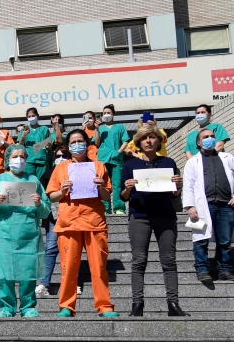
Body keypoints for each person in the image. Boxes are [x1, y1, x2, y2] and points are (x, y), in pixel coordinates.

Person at [46, 129, 119, 317]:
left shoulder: (98, 166)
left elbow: (106, 195)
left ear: (87, 144)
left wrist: (100, 186)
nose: (77, 144)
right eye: (73, 142)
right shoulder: (60, 169)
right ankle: (66, 306)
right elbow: (53, 197)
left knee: (99, 267)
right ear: (68, 147)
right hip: (69, 222)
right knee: (68, 267)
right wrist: (62, 191)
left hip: (94, 221)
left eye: (80, 141)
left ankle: (104, 306)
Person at [121, 125, 187, 316]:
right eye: (144, 138)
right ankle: (137, 304)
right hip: (139, 217)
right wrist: (128, 188)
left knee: (169, 260)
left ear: (158, 141)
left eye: (152, 137)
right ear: (139, 143)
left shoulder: (168, 162)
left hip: (165, 216)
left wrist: (178, 186)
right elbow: (124, 196)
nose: (149, 141)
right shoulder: (130, 165)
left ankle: (173, 304)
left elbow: (174, 194)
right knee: (139, 260)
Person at [0, 145, 50, 317]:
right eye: (14, 156)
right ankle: (6, 306)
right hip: (4, 232)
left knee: (28, 272)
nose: (18, 160)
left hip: (28, 233)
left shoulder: (33, 180)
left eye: (22, 156)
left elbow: (46, 210)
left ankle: (28, 306)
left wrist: (38, 203)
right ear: (7, 159)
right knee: (5, 272)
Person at [182, 127, 234, 282]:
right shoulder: (193, 162)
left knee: (225, 241)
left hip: (226, 205)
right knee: (200, 239)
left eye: (212, 136)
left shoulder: (227, 157)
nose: (209, 138)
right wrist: (190, 206)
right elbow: (188, 185)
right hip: (201, 206)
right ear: (199, 142)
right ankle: (202, 270)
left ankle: (224, 269)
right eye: (205, 137)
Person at [36, 145, 69, 298]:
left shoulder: (76, 173)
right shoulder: (47, 174)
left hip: (73, 215)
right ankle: (43, 283)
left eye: (64, 155)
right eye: (57, 156)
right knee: (50, 249)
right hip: (53, 217)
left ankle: (71, 284)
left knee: (70, 251)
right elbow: (43, 195)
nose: (60, 159)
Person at [96, 103, 129, 215]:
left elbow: (125, 141)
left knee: (117, 184)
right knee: (102, 184)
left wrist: (119, 152)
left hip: (116, 158)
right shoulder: (100, 128)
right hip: (102, 158)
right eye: (104, 113)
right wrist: (96, 129)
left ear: (113, 114)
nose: (106, 115)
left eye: (108, 113)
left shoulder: (120, 127)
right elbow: (96, 143)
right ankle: (104, 208)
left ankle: (119, 208)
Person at [18, 108, 53, 179]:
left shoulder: (44, 129)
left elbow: (49, 146)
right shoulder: (24, 130)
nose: (31, 118)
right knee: (29, 183)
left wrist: (49, 145)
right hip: (29, 161)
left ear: (37, 116)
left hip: (42, 161)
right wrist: (23, 136)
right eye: (29, 116)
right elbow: (20, 146)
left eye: (33, 116)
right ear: (27, 118)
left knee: (42, 182)